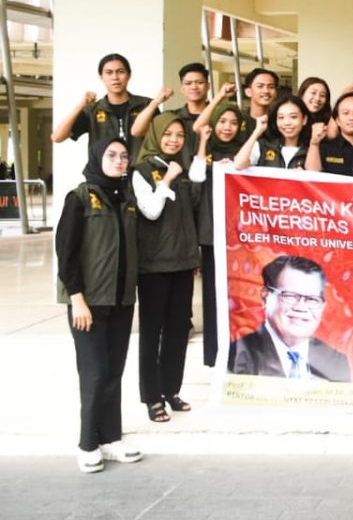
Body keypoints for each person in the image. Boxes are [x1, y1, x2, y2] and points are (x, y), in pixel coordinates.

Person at [56, 138, 143, 472]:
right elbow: (66, 255)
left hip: (121, 301)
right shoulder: (79, 197)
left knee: (114, 372)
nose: (120, 161)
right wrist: (77, 299)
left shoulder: (126, 198)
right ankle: (87, 444)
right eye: (112, 155)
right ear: (97, 158)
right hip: (89, 303)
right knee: (94, 374)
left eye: (124, 156)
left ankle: (111, 438)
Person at [132, 113, 204, 423]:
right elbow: (150, 211)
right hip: (154, 266)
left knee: (178, 328)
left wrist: (201, 142)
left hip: (182, 262)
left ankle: (171, 389)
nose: (174, 140)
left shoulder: (184, 170)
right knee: (152, 332)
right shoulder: (141, 171)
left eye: (179, 135)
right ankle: (151, 397)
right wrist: (168, 179)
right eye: (168, 134)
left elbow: (196, 192)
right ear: (156, 136)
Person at [227, 255, 352, 381]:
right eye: (290, 296)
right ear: (266, 296)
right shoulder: (235, 355)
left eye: (312, 299)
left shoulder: (338, 364)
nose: (301, 308)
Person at [194, 102, 243, 367]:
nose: (227, 127)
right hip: (212, 235)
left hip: (239, 236)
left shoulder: (245, 150)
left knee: (238, 296)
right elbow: (197, 177)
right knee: (212, 297)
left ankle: (239, 353)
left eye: (233, 122)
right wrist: (203, 143)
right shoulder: (205, 149)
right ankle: (215, 356)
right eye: (222, 121)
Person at [52, 53, 155, 154]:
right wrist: (80, 106)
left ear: (129, 75)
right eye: (109, 72)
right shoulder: (92, 110)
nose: (115, 77)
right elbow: (57, 137)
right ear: (101, 77)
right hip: (103, 170)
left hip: (139, 170)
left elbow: (161, 138)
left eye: (120, 71)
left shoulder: (146, 105)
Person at [130, 62, 211, 155]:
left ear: (208, 86)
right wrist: (156, 102)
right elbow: (136, 131)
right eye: (188, 83)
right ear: (182, 88)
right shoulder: (172, 117)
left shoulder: (220, 117)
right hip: (176, 169)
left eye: (199, 82)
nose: (194, 87)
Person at [306, 92, 353, 177]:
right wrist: (314, 143)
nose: (352, 118)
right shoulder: (324, 148)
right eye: (346, 113)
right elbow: (311, 179)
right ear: (337, 121)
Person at [233, 95, 310, 171]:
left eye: (293, 117)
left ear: (304, 119)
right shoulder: (263, 146)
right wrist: (257, 132)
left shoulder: (311, 150)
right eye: (281, 117)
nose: (286, 122)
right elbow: (238, 165)